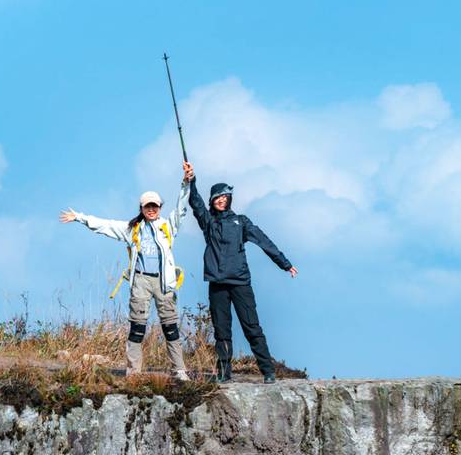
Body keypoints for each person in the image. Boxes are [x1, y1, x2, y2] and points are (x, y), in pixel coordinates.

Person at [59, 167, 193, 380]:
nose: (151, 209)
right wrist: (79, 218)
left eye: (155, 206)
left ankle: (179, 370)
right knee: (137, 327)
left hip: (164, 282)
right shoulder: (133, 228)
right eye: (148, 206)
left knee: (170, 326)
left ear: (160, 208)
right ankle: (133, 373)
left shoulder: (168, 226)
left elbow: (181, 207)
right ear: (142, 208)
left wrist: (186, 183)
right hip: (140, 280)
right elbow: (106, 225)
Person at [184, 161, 297, 384]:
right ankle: (224, 374)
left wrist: (284, 263)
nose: (221, 200)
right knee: (222, 331)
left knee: (252, 327)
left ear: (229, 199)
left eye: (224, 196)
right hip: (218, 284)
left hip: (240, 283)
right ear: (212, 201)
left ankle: (268, 371)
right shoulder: (208, 222)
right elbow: (195, 203)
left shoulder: (241, 222)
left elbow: (264, 241)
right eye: (217, 197)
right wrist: (192, 181)